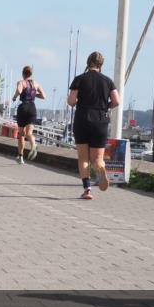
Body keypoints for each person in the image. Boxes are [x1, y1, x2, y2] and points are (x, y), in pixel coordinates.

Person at [67, 51, 120, 200]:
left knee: (83, 158)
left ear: (88, 62)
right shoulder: (108, 81)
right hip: (101, 120)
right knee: (97, 159)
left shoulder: (79, 79)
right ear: (101, 65)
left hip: (83, 118)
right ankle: (101, 168)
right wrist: (105, 106)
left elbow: (71, 101)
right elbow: (117, 101)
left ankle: (87, 189)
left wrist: (79, 102)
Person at [12, 66, 46, 164]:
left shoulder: (21, 82)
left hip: (23, 108)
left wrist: (14, 97)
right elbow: (44, 96)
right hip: (32, 108)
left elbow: (19, 91)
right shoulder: (36, 83)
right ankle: (33, 145)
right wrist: (34, 95)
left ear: (23, 74)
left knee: (21, 134)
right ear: (31, 74)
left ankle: (20, 157)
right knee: (29, 133)